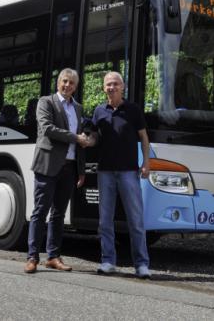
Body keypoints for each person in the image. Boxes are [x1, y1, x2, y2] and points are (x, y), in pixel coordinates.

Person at [24, 68, 91, 274]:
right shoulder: (46, 102)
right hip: (48, 165)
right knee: (40, 211)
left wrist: (81, 170)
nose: (67, 85)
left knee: (59, 214)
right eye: (64, 81)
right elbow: (47, 129)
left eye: (71, 83)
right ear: (57, 82)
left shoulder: (78, 108)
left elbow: (81, 142)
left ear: (76, 86)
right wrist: (75, 137)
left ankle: (53, 256)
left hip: (69, 168)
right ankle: (32, 257)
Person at [89, 71, 152, 279]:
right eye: (108, 84)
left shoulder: (133, 110)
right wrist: (86, 139)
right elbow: (94, 138)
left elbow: (144, 138)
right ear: (103, 88)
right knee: (105, 220)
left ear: (122, 87)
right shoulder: (99, 111)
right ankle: (108, 261)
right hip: (105, 172)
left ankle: (141, 264)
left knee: (135, 220)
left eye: (115, 84)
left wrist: (147, 163)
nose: (111, 87)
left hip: (128, 172)